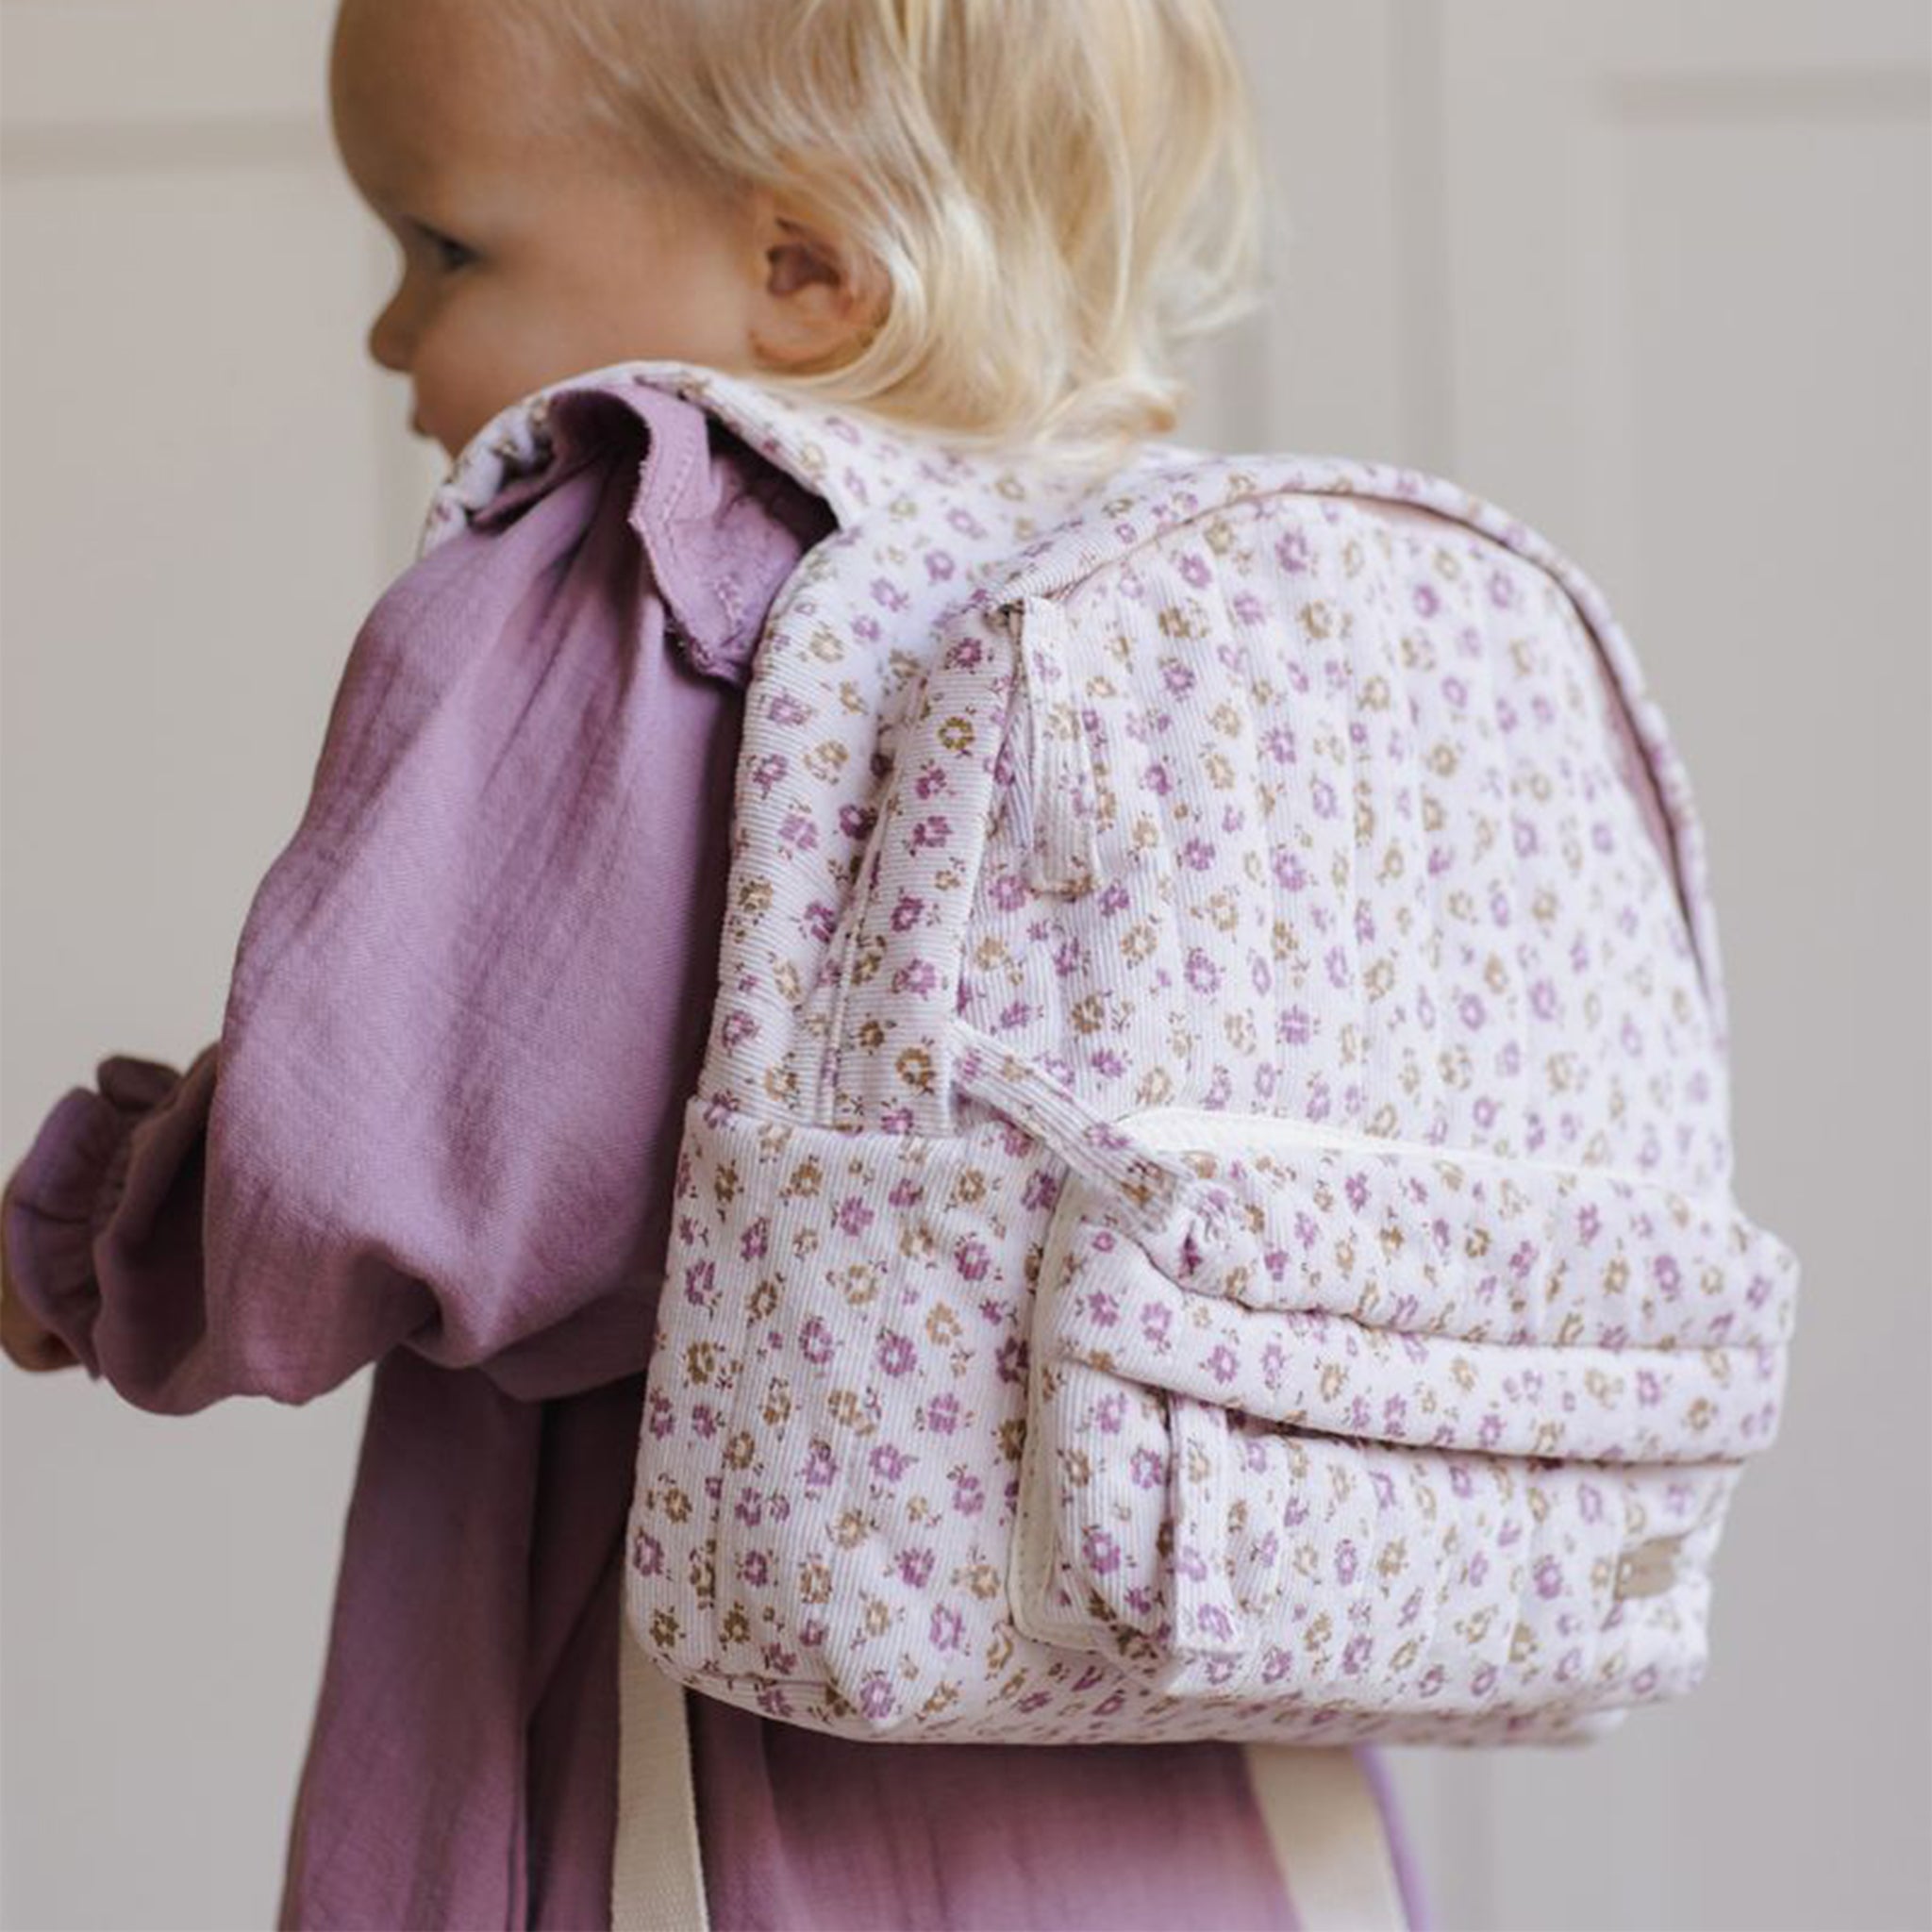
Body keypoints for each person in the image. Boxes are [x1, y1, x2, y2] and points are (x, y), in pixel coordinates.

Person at [1, 0, 1432, 1925]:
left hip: (744, 1735)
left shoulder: (650, 568)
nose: (390, 335)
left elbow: (386, 1160)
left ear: (802, 270)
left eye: (444, 248)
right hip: (1203, 1733)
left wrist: (112, 1242)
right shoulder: (1191, 589)